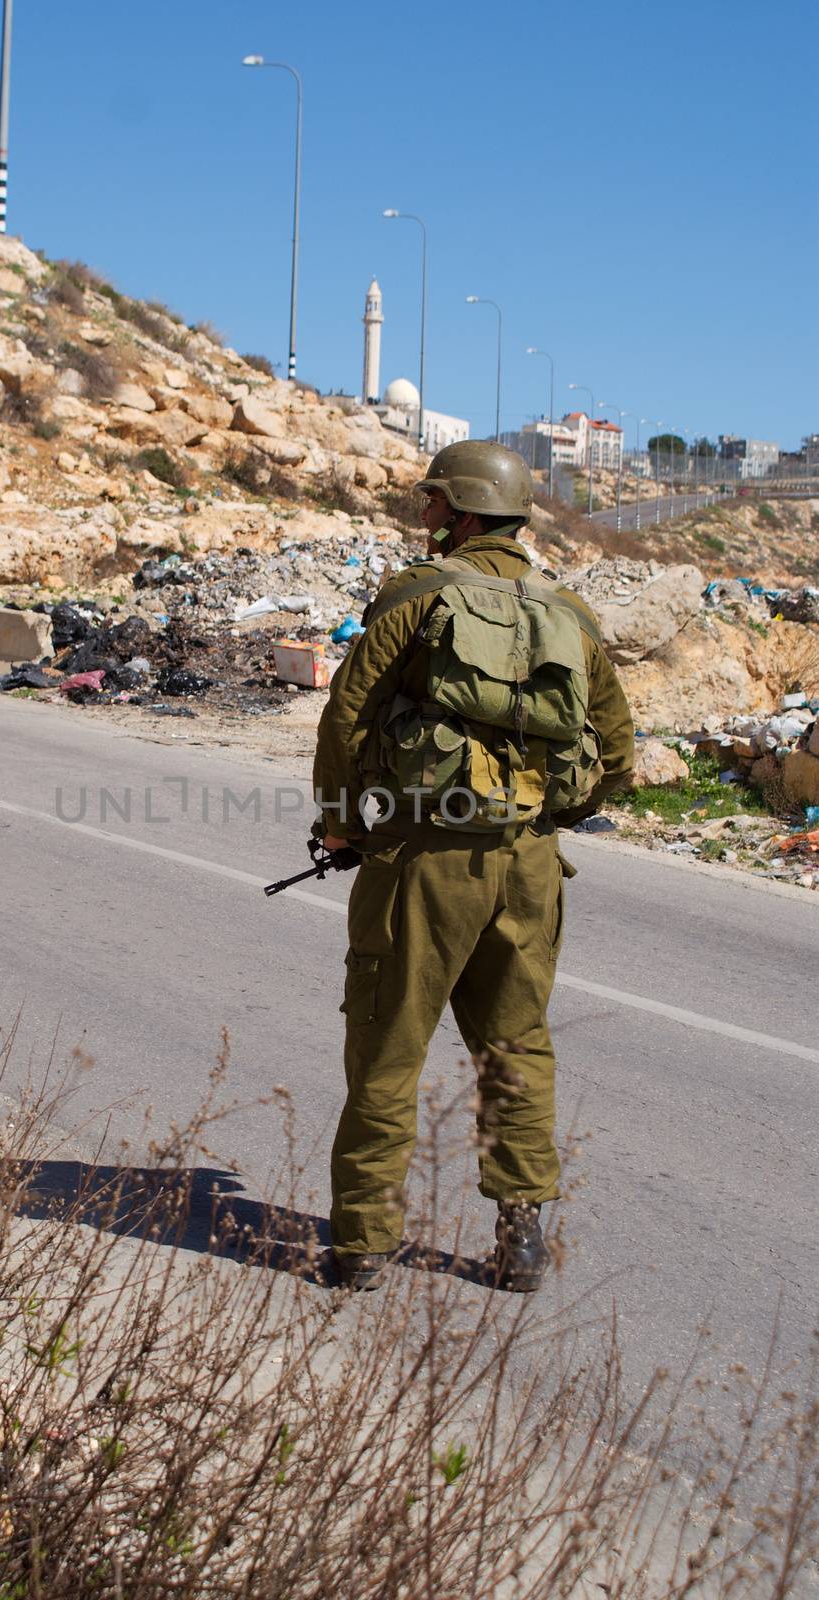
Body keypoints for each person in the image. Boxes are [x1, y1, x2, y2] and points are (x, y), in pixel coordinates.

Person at [313, 441, 633, 1292]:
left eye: (432, 505)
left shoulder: (417, 598)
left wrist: (343, 827)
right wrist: (544, 820)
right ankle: (521, 1236)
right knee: (515, 1046)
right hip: (529, 864)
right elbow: (622, 753)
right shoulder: (568, 612)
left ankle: (364, 1244)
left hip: (425, 857)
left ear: (459, 512)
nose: (424, 520)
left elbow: (348, 720)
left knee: (388, 1048)